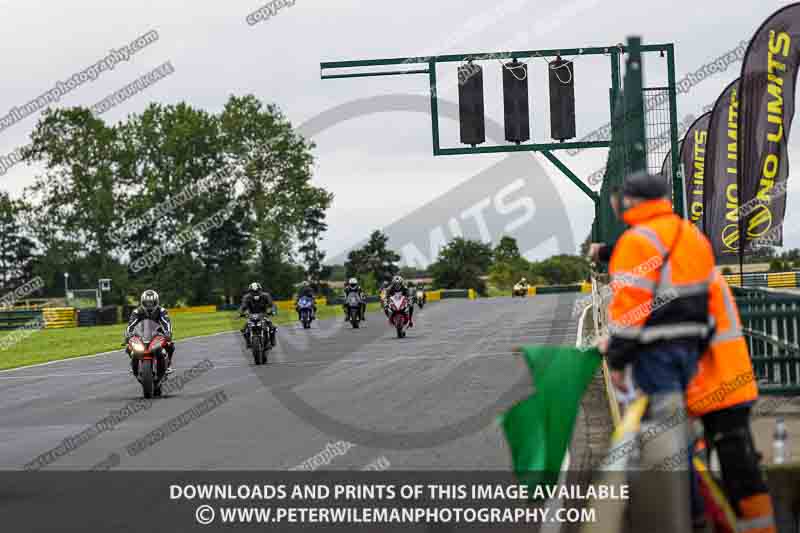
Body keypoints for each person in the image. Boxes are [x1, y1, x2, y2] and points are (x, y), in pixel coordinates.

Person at [598, 171, 716, 532]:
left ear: (632, 201)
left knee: (664, 440)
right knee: (680, 435)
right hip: (692, 348)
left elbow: (629, 310)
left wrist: (617, 359)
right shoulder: (691, 235)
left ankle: (690, 515)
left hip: (656, 352)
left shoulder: (637, 241)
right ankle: (697, 510)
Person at [686, 271, 775, 531]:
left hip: (719, 390)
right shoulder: (699, 270)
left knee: (738, 476)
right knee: (736, 473)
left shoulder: (688, 278)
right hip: (724, 388)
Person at [125, 289, 175, 374]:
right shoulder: (137, 311)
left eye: (151, 302)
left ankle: (168, 363)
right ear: (143, 302)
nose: (149, 305)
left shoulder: (162, 311)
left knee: (170, 345)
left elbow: (166, 322)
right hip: (141, 334)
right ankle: (134, 364)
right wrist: (128, 334)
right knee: (129, 347)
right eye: (147, 302)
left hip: (158, 334)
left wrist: (168, 332)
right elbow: (131, 324)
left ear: (156, 302)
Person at [239, 282, 275, 348]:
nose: (255, 292)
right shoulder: (246, 297)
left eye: (257, 291)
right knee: (243, 329)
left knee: (272, 327)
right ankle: (248, 342)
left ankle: (272, 341)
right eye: (253, 291)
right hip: (251, 315)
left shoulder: (266, 295)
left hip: (263, 314)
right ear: (250, 291)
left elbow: (271, 304)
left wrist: (272, 311)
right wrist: (241, 313)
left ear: (260, 290)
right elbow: (243, 306)